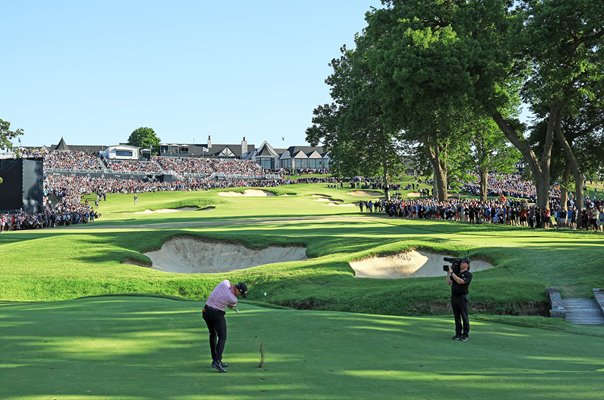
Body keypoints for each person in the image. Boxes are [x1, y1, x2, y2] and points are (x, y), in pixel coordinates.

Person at [202, 280, 248, 373]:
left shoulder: (225, 283)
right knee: (222, 337)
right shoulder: (233, 299)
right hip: (217, 314)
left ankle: (215, 359)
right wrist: (231, 305)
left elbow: (228, 284)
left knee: (213, 335)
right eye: (240, 293)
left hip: (206, 311)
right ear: (238, 290)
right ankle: (217, 361)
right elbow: (231, 305)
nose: (239, 295)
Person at [446, 258, 473, 341]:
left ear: (467, 265)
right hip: (454, 296)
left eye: (463, 262)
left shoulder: (468, 274)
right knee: (456, 316)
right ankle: (458, 333)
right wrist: (448, 273)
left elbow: (461, 281)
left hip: (462, 297)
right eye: (461, 262)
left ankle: (465, 335)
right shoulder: (456, 273)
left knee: (464, 316)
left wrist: (452, 273)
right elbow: (449, 283)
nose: (461, 263)